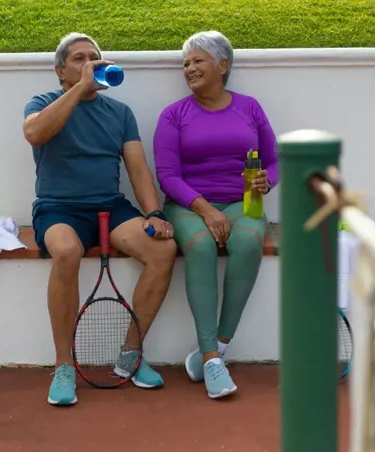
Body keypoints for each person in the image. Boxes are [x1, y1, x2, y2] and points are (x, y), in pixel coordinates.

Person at [23, 32, 178, 406]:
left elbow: (138, 169)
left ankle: (130, 355)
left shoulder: (120, 113)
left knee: (163, 250)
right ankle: (64, 366)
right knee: (65, 252)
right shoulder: (43, 102)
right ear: (60, 70)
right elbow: (35, 133)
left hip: (110, 205)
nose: (91, 64)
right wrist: (78, 90)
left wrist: (154, 212)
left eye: (95, 57)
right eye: (79, 59)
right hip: (58, 207)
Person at [153, 30, 279, 399]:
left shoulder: (250, 108)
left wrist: (266, 182)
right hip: (188, 204)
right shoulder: (174, 115)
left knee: (248, 240)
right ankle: (210, 359)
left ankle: (220, 345)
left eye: (197, 61)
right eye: (186, 63)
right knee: (202, 246)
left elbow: (273, 161)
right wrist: (205, 210)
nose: (189, 69)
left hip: (242, 202)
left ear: (222, 65)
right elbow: (168, 176)